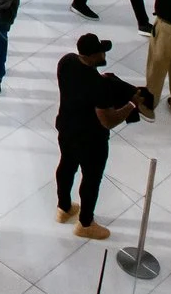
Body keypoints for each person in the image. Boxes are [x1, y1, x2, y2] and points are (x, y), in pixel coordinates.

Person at [53, 33, 143, 239]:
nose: (104, 54)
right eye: (101, 52)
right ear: (93, 56)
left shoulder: (66, 62)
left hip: (66, 129)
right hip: (91, 140)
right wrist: (131, 105)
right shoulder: (98, 85)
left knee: (66, 166)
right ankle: (85, 223)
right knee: (91, 179)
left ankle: (63, 208)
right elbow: (108, 120)